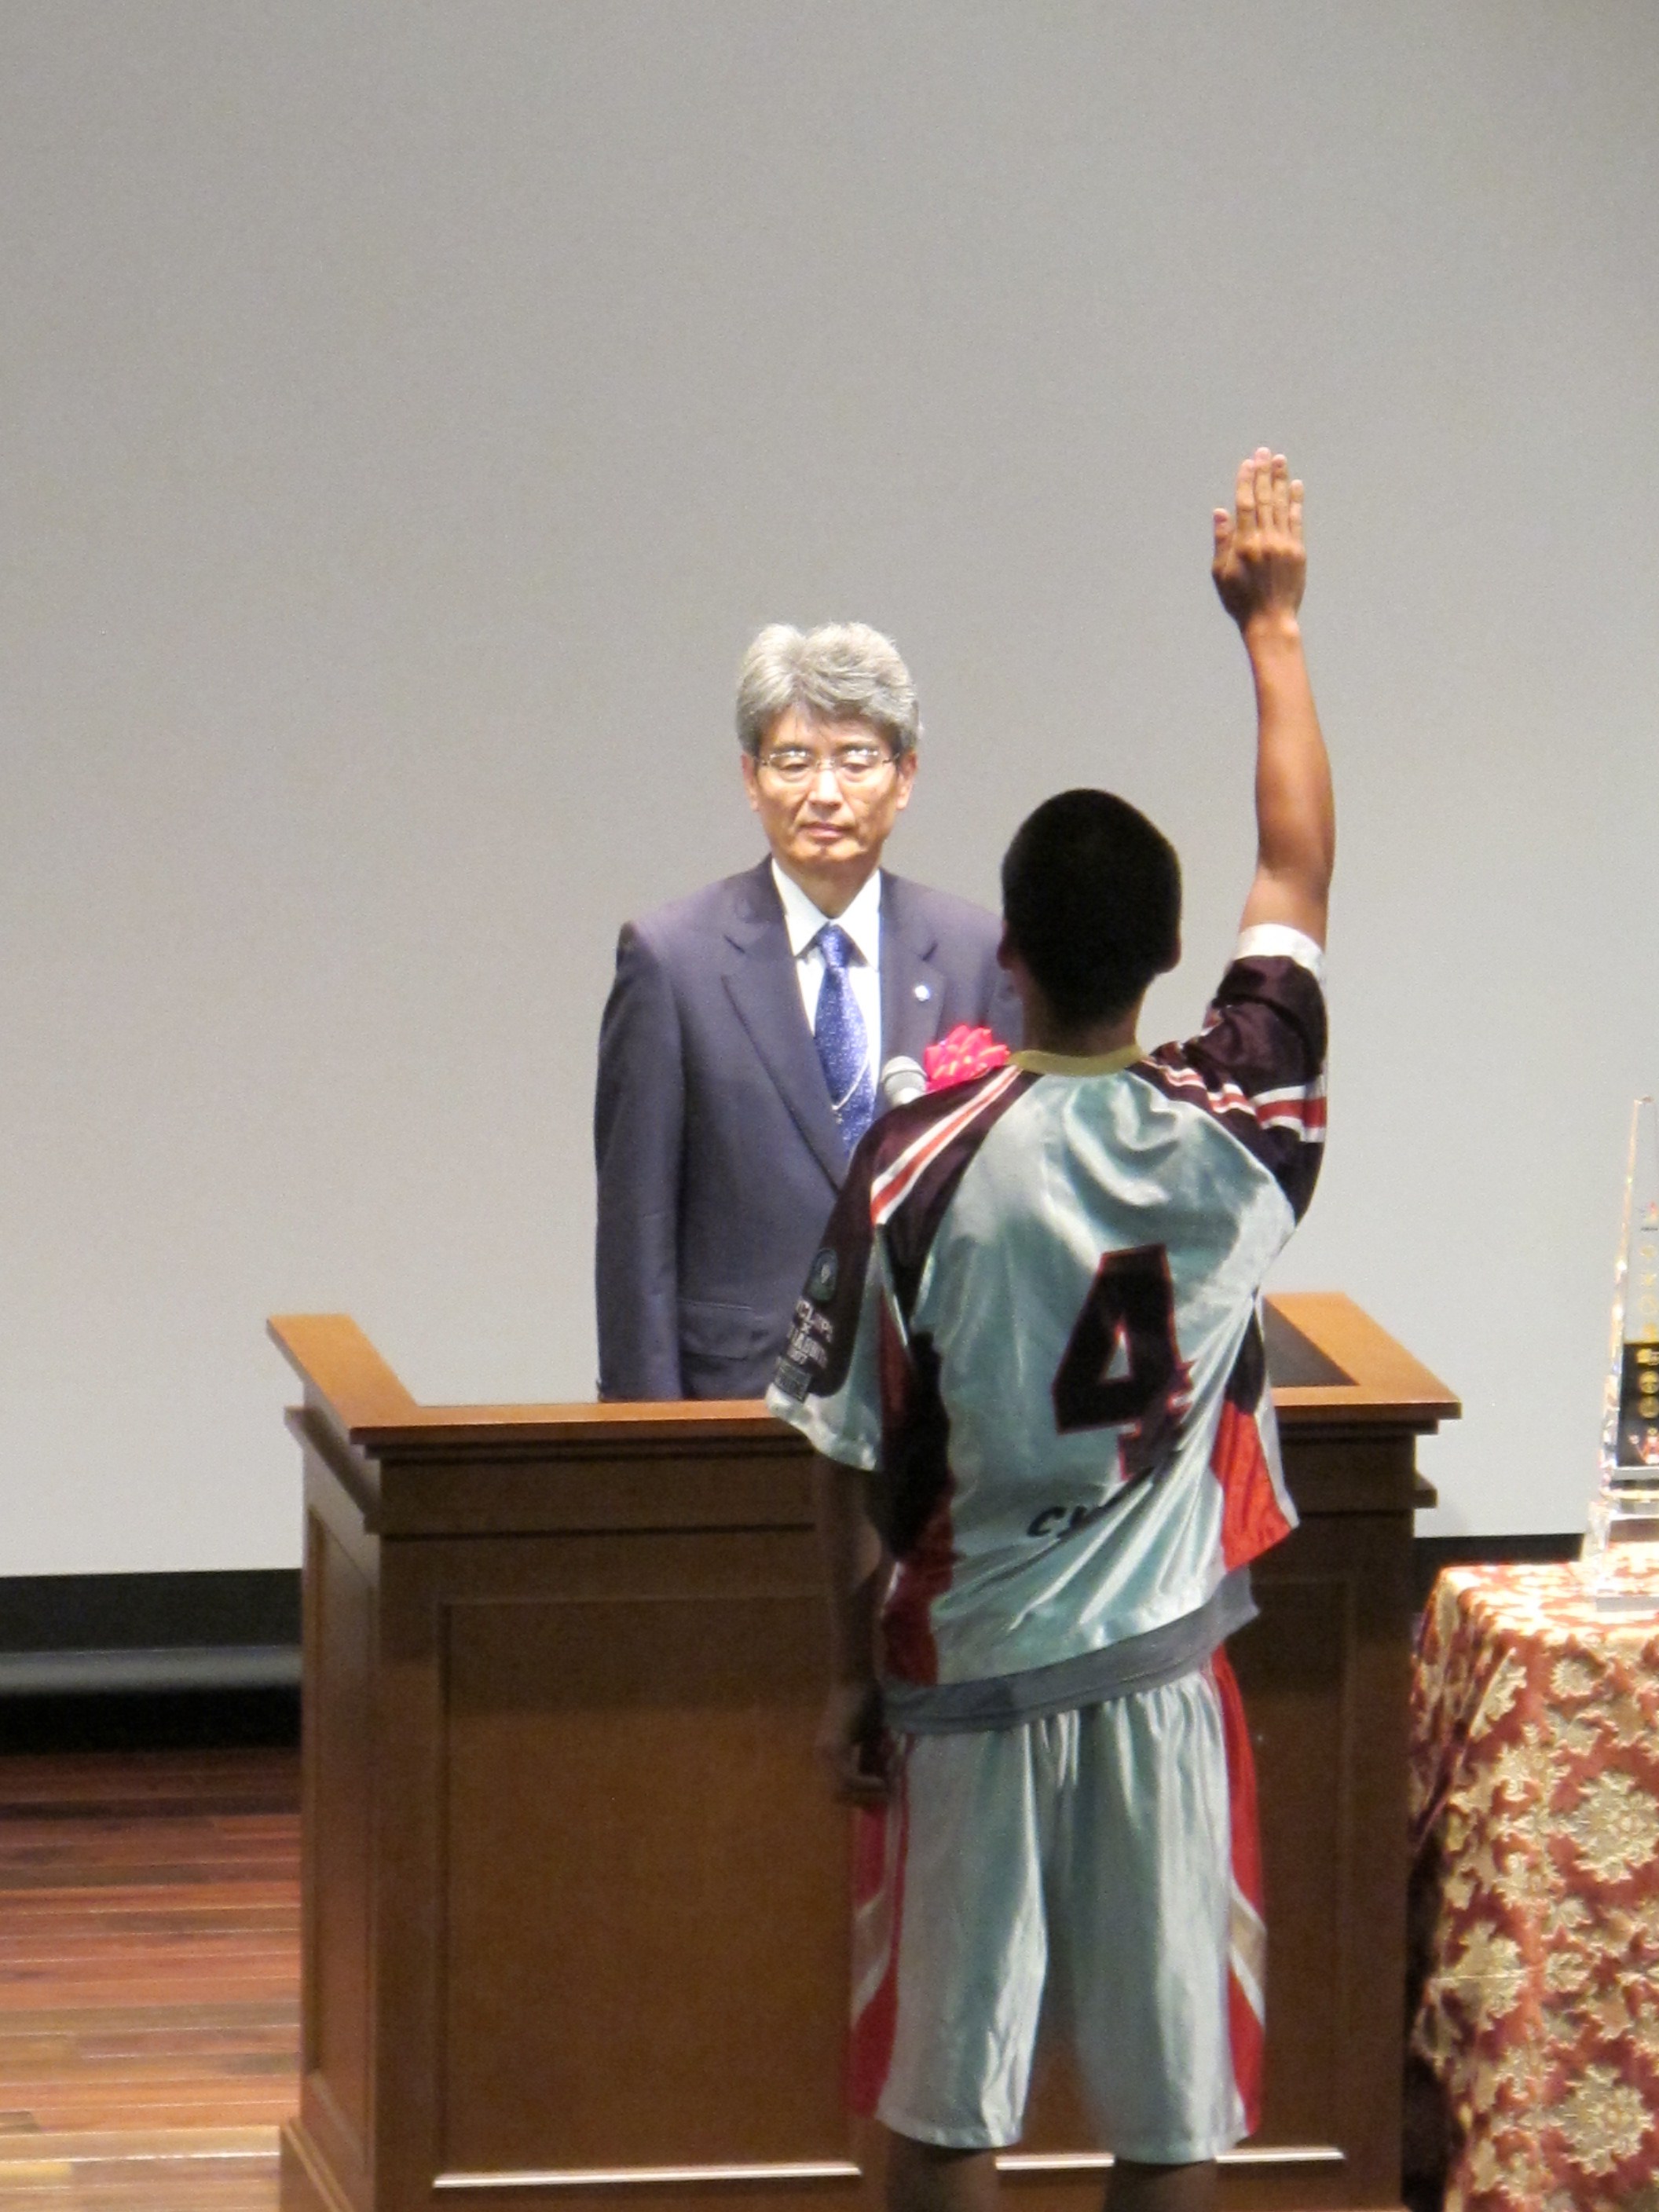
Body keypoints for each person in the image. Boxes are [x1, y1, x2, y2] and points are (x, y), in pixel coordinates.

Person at [767, 450, 1333, 2212]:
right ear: (1168, 954)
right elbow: (1296, 865)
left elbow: (842, 1453)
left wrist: (848, 1673)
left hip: (970, 1686)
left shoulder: (913, 1161)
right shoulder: (1241, 1127)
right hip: (1165, 1677)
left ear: (1001, 946)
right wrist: (1273, 629)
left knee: (949, 2099)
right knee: (1171, 2113)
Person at [595, 621, 1020, 1401]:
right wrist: (648, 1442)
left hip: (935, 1405)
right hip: (741, 1401)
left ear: (905, 776)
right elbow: (636, 1236)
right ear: (751, 779)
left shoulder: (977, 955)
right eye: (794, 760)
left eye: (856, 759)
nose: (825, 791)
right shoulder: (672, 961)